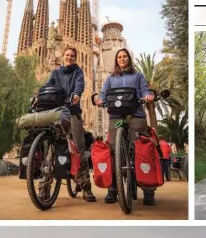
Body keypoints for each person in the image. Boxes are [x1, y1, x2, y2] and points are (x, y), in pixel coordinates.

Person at [96, 48, 155, 205]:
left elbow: (145, 89)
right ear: (116, 60)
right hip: (116, 116)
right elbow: (103, 93)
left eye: (124, 56)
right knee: (113, 151)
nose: (122, 59)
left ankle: (148, 190)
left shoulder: (137, 76)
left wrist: (148, 95)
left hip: (136, 114)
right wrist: (100, 100)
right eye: (119, 57)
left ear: (129, 59)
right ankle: (113, 190)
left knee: (143, 150)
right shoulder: (110, 78)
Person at [44, 47, 96, 201]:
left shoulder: (78, 72)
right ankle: (44, 187)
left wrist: (77, 95)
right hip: (58, 112)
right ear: (63, 56)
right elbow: (48, 86)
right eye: (67, 55)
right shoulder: (55, 73)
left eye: (72, 56)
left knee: (79, 148)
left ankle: (86, 188)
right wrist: (40, 95)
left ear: (75, 58)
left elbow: (80, 85)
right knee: (52, 149)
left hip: (72, 111)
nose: (69, 57)